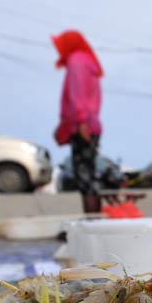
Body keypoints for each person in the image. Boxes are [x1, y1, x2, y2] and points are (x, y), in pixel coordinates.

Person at [52, 29, 103, 214]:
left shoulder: (76, 61)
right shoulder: (88, 62)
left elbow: (77, 94)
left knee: (84, 177)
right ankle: (95, 220)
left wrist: (80, 122)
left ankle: (93, 222)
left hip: (84, 125)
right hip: (92, 123)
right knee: (89, 175)